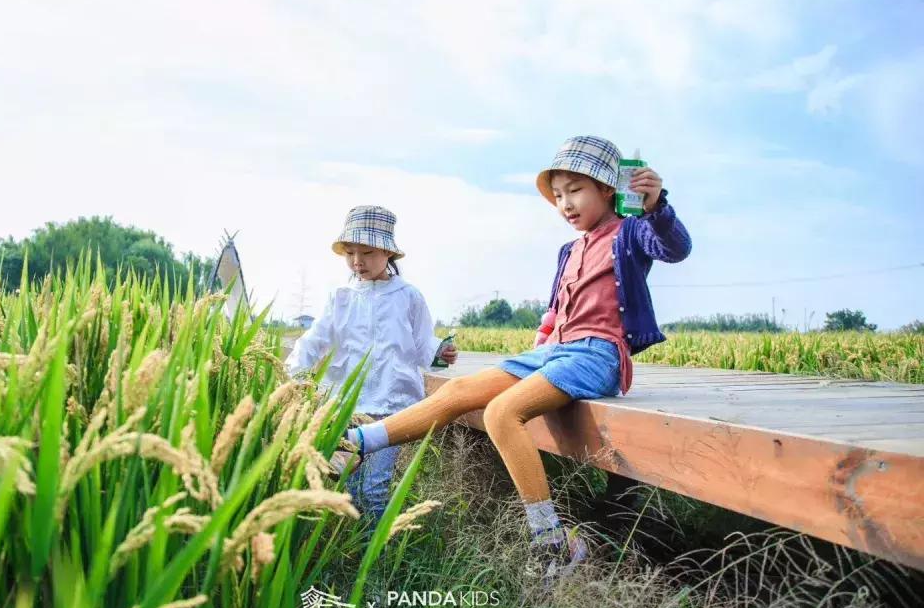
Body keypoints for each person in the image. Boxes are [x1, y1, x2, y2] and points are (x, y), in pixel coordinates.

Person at [334, 136, 691, 582]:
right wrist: (535, 349)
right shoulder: (569, 250)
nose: (565, 203)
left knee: (502, 412)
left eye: (576, 190)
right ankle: (356, 444)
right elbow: (554, 312)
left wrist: (657, 206)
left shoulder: (631, 233)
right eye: (558, 195)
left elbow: (674, 248)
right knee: (463, 390)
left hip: (597, 353)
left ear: (607, 189)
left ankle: (551, 544)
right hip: (552, 353)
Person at [287, 204, 458, 524]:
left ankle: (376, 556)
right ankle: (355, 551)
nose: (357, 261)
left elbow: (424, 345)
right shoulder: (340, 296)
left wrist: (441, 353)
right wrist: (292, 375)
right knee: (350, 490)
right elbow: (314, 340)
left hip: (392, 407)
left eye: (366, 252)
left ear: (387, 253)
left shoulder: (408, 296)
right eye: (350, 252)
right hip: (348, 407)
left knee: (376, 488)